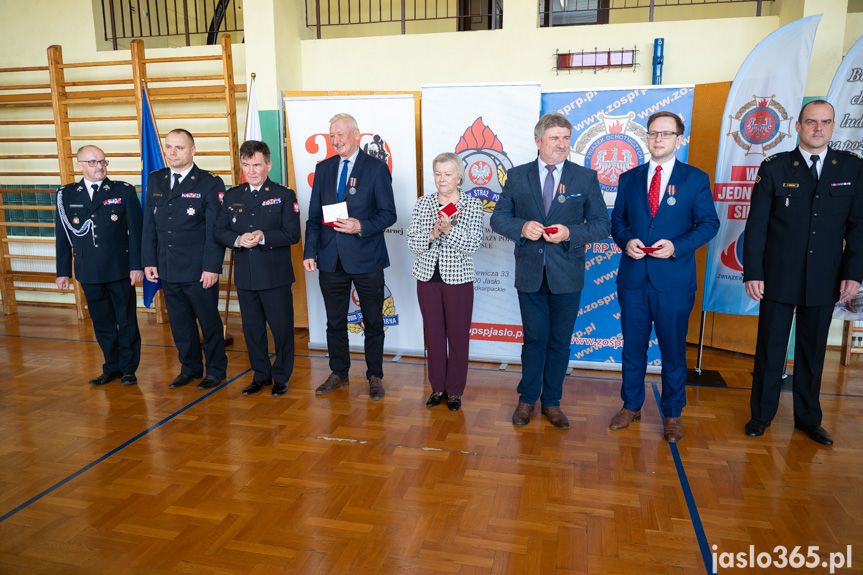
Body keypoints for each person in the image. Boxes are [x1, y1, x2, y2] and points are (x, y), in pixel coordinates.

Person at [743, 100, 863, 446]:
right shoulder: (776, 167)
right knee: (771, 348)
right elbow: (757, 227)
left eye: (825, 122)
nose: (818, 129)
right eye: (811, 122)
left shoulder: (851, 169)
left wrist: (854, 273)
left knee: (812, 352)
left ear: (833, 126)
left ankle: (809, 419)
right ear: (798, 126)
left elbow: (858, 227)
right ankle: (761, 415)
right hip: (778, 274)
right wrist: (753, 272)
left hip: (826, 276)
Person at [490, 113, 611, 429]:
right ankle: (527, 400)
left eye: (566, 138)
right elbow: (498, 218)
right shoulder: (517, 176)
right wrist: (522, 226)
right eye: (555, 138)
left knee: (560, 341)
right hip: (530, 273)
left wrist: (570, 233)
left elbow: (601, 225)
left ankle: (552, 403)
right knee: (534, 340)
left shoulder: (584, 177)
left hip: (567, 275)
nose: (562, 144)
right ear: (538, 141)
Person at [608, 111, 719, 443]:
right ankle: (631, 405)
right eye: (654, 133)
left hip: (673, 280)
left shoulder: (695, 179)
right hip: (633, 279)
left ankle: (672, 413)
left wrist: (677, 246)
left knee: (672, 350)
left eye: (666, 134)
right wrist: (625, 241)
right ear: (647, 137)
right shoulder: (629, 178)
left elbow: (709, 224)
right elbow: (617, 221)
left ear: (678, 139)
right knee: (633, 348)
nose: (658, 139)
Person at [303, 113, 397, 401]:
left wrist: (361, 226)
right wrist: (310, 252)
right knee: (334, 322)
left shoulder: (376, 169)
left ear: (357, 135)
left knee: (373, 321)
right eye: (332, 136)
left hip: (367, 258)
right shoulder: (324, 168)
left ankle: (374, 376)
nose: (336, 140)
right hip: (331, 260)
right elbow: (314, 217)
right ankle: (339, 373)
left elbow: (388, 214)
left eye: (341, 134)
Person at [142, 129, 228, 391]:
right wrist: (149, 261)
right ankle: (190, 367)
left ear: (193, 150)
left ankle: (215, 369)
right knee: (180, 323)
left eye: (179, 147)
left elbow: (214, 230)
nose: (172, 153)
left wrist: (211, 267)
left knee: (209, 321)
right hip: (166, 265)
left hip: (198, 269)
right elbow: (149, 224)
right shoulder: (156, 179)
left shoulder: (210, 183)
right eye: (169, 147)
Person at [214, 141, 301, 397]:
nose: (251, 171)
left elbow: (292, 233)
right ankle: (260, 374)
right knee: (252, 330)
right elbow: (219, 230)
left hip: (275, 276)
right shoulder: (232, 195)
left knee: (281, 329)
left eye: (257, 164)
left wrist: (263, 236)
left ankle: (281, 375)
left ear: (268, 165)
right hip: (246, 274)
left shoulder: (284, 195)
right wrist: (237, 240)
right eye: (246, 164)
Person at [55, 145, 143, 386]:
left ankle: (128, 368)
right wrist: (62, 271)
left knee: (126, 320)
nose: (100, 167)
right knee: (102, 322)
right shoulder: (66, 194)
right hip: (89, 270)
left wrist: (137, 265)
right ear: (80, 165)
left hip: (119, 268)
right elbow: (63, 236)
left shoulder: (122, 190)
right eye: (93, 162)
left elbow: (136, 232)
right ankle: (111, 367)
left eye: (103, 162)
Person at [407, 152, 483, 411]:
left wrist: (449, 230)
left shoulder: (472, 205)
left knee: (459, 337)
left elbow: (473, 245)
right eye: (438, 174)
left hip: (459, 280)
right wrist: (432, 233)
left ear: (459, 178)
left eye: (447, 174)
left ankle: (455, 391)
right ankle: (437, 387)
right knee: (435, 336)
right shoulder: (422, 203)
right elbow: (412, 243)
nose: (442, 179)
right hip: (427, 279)